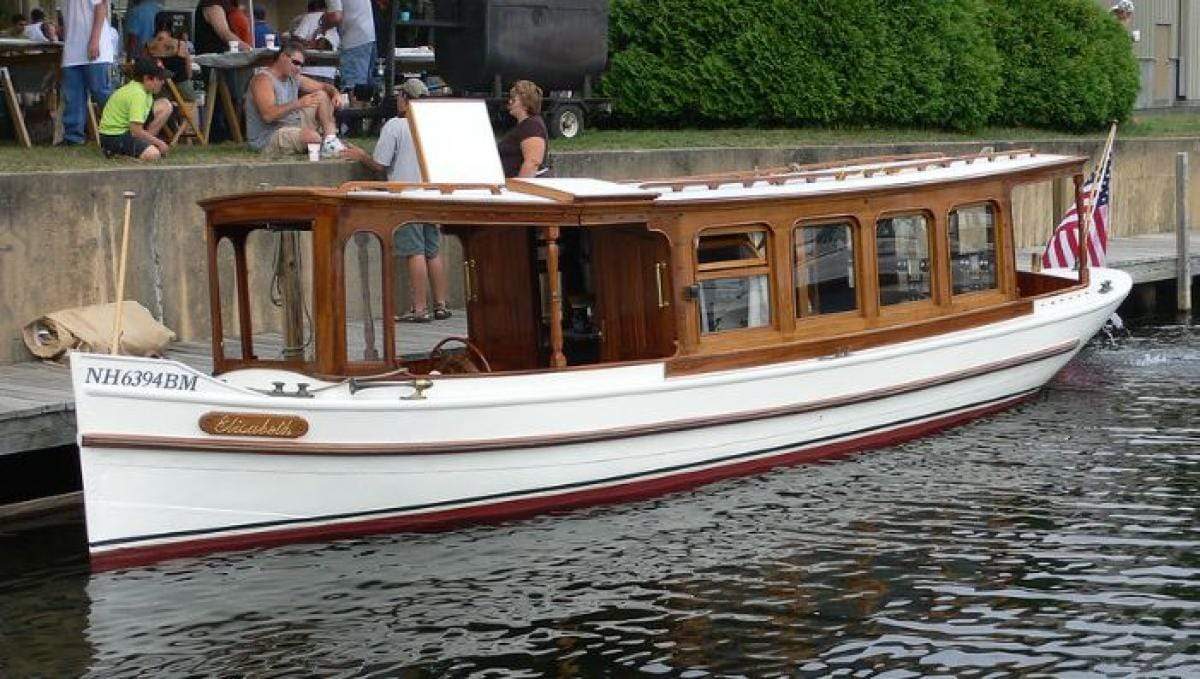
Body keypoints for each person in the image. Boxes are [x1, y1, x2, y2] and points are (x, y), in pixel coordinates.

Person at [344, 78, 451, 322]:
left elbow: (380, 164)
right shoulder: (432, 125)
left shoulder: (395, 126)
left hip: (406, 196)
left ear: (405, 98)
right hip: (431, 194)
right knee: (433, 251)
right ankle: (442, 305)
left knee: (415, 252)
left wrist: (361, 155)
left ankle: (419, 308)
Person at [244, 39, 347, 156]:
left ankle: (330, 140)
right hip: (268, 136)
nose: (299, 68)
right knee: (313, 139)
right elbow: (268, 115)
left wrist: (335, 93)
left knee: (321, 96)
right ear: (283, 57)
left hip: (291, 124)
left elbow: (324, 86)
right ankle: (323, 141)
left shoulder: (293, 77)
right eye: (296, 62)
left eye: (301, 65)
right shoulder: (263, 79)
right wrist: (298, 104)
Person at [61, 0, 115, 145]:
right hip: (73, 48)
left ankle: (121, 129)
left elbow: (101, 6)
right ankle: (73, 137)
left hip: (95, 48)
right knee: (73, 96)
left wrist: (94, 40)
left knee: (101, 92)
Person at [98, 56, 172, 160]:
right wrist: (159, 143)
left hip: (126, 130)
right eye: (159, 79)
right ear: (147, 78)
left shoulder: (144, 89)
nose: (163, 82)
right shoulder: (138, 94)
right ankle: (116, 153)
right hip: (114, 136)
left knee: (165, 105)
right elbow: (136, 131)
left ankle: (142, 146)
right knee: (153, 154)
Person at [323, 0, 375, 100]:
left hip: (353, 41)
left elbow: (336, 16)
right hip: (368, 37)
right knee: (365, 89)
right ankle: (363, 113)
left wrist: (322, 26)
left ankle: (354, 113)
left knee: (352, 88)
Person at [497, 79, 548, 178]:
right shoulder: (525, 125)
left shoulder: (532, 126)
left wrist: (518, 188)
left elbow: (532, 162)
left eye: (513, 99)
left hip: (523, 190)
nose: (509, 102)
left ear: (526, 103)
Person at [146, 14, 195, 100]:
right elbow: (188, 69)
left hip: (161, 88)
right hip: (182, 85)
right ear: (171, 25)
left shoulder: (149, 45)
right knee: (191, 108)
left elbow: (146, 67)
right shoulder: (180, 44)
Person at [292, 0, 338, 84]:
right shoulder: (336, 20)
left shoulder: (309, 17)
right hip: (329, 72)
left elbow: (296, 39)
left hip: (309, 71)